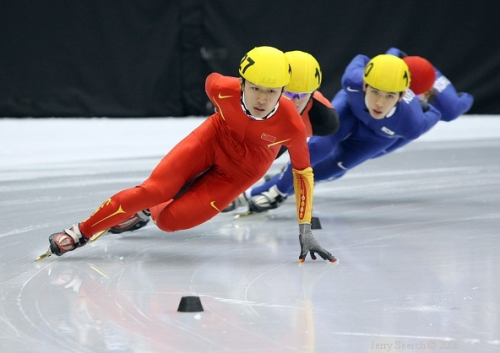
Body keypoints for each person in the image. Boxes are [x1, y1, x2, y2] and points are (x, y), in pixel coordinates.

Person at [43, 46, 337, 263]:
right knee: (154, 190)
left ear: (283, 90)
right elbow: (214, 82)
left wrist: (305, 229)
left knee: (169, 221)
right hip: (214, 138)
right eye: (255, 88)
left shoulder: (292, 126)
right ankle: (80, 232)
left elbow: (303, 173)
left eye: (272, 92)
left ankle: (150, 210)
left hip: (244, 169)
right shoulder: (220, 88)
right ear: (242, 83)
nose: (262, 99)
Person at [238, 53, 449, 213]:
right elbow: (362, 58)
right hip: (349, 110)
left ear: (402, 96)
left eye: (389, 96)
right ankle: (269, 192)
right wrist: (392, 58)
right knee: (318, 147)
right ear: (364, 85)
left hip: (376, 137)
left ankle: (279, 188)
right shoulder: (352, 81)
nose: (379, 103)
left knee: (329, 171)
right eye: (375, 91)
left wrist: (424, 104)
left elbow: (437, 112)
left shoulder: (412, 124)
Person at [222, 50, 340, 212]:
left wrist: (282, 187)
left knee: (330, 168)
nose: (295, 102)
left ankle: (269, 189)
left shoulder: (323, 119)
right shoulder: (250, 98)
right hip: (266, 132)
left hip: (285, 136)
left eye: (303, 95)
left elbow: (318, 152)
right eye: (289, 93)